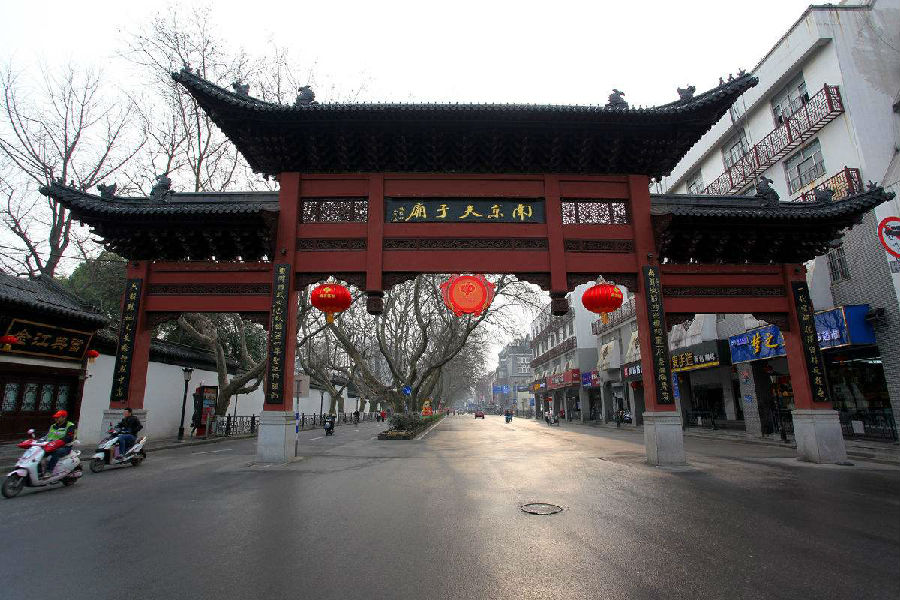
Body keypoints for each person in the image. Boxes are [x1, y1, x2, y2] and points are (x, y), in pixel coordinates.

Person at [44, 410, 76, 478]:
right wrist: (39, 440)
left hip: (65, 447)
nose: (56, 419)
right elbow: (46, 436)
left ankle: (49, 471)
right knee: (39, 452)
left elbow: (69, 437)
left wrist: (58, 442)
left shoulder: (70, 425)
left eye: (58, 417)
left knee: (56, 453)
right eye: (55, 417)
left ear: (64, 417)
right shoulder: (53, 426)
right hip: (51, 446)